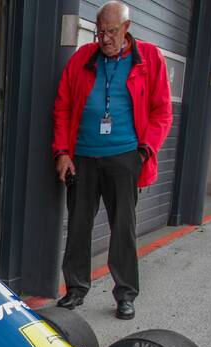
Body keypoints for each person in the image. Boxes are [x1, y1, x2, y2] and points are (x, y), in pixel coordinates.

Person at [52, 1, 172, 320]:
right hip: (84, 156)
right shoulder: (81, 59)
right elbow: (63, 107)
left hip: (125, 156)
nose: (104, 39)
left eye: (111, 32)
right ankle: (76, 289)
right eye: (99, 31)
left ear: (127, 29)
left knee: (123, 229)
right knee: (78, 225)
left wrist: (145, 151)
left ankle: (125, 295)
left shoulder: (149, 58)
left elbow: (163, 111)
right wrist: (63, 151)